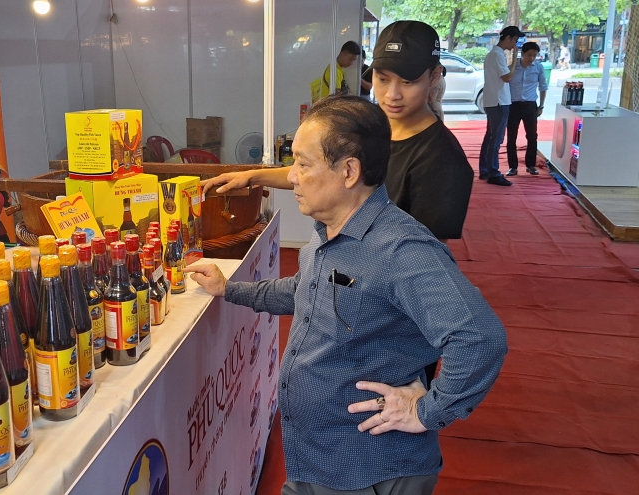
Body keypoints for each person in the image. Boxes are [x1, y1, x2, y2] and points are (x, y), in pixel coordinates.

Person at [186, 94, 508, 495]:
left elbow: (479, 338)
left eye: (303, 164)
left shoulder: (400, 249)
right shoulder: (329, 233)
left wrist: (429, 411)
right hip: (316, 457)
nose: (291, 177)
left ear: (349, 171)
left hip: (367, 470)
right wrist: (230, 289)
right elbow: (306, 291)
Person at [204, 21, 473, 242]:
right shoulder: (367, 126)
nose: (392, 94)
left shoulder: (443, 159)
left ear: (434, 76)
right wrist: (251, 176)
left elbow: (427, 255)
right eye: (382, 79)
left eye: (408, 82)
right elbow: (314, 172)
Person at [479, 26, 521, 186]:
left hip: (494, 100)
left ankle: (486, 169)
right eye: (515, 40)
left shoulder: (495, 54)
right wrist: (515, 60)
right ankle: (493, 173)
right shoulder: (497, 54)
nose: (515, 44)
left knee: (491, 137)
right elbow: (507, 77)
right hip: (499, 101)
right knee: (495, 138)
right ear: (508, 38)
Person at [505, 41, 548, 176]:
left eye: (535, 55)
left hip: (530, 105)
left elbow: (543, 87)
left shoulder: (538, 67)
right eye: (529, 55)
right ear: (523, 53)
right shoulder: (512, 67)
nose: (532, 58)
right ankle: (513, 166)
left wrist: (541, 106)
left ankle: (531, 165)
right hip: (513, 105)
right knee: (511, 136)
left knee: (532, 136)